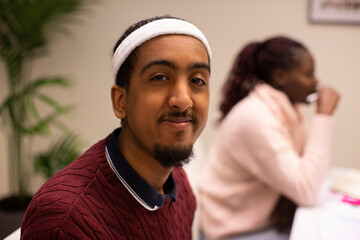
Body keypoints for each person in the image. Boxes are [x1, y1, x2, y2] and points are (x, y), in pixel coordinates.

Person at [21, 15, 212, 240]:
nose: (183, 99)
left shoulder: (177, 184)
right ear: (120, 101)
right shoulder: (65, 220)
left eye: (197, 80)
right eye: (160, 77)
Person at [198, 36, 340, 240]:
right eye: (309, 74)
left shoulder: (289, 110)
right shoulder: (256, 118)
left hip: (261, 221)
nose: (316, 80)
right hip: (231, 231)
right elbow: (307, 189)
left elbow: (309, 172)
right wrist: (324, 117)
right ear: (281, 76)